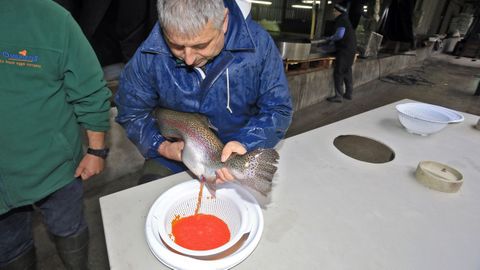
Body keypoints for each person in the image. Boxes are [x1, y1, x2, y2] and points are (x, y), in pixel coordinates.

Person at [115, 0, 293, 184]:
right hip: (172, 157)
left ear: (224, 21)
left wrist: (246, 143)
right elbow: (131, 112)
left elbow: (278, 109)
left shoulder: (258, 46)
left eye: (200, 46)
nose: (189, 59)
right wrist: (161, 146)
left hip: (236, 152)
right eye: (176, 46)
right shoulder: (149, 54)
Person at [0, 0, 112, 269]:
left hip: (56, 168)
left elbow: (90, 89)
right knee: (11, 245)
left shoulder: (51, 18)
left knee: (68, 226)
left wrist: (96, 151)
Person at [326, 3, 357, 103]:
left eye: (334, 11)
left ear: (339, 11)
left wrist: (330, 38)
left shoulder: (341, 20)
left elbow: (339, 35)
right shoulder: (346, 19)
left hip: (344, 50)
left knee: (338, 72)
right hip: (351, 50)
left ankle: (338, 96)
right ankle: (349, 94)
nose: (333, 12)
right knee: (347, 71)